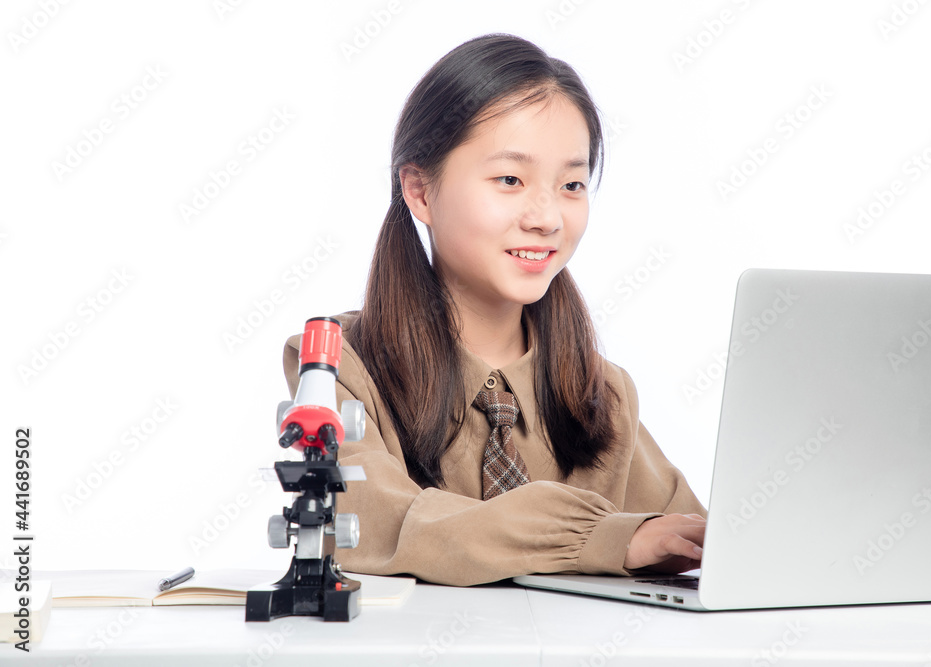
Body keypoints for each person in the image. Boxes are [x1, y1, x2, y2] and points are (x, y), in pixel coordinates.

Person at [282, 32, 707, 586]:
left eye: (572, 184)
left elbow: (687, 532)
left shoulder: (603, 393)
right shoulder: (340, 364)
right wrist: (603, 538)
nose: (547, 217)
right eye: (510, 179)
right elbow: (370, 523)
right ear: (420, 192)